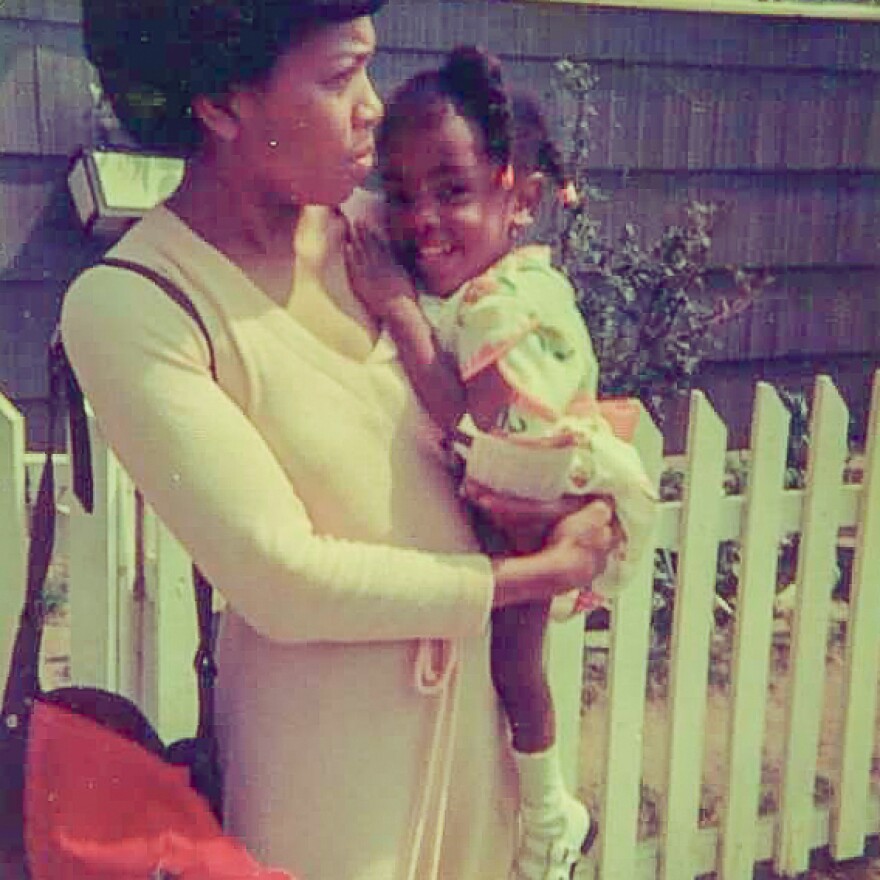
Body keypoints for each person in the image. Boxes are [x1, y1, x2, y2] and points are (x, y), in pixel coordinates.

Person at [60, 4, 619, 880]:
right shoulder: (141, 304)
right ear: (220, 104)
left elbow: (540, 380)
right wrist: (527, 578)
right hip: (335, 791)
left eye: (369, 67)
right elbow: (283, 578)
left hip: (482, 752)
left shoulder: (386, 225)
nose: (371, 106)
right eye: (337, 76)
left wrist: (587, 503)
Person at [345, 47, 657, 880]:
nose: (420, 220)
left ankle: (552, 818)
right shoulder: (479, 283)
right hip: (515, 499)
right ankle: (546, 810)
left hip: (534, 498)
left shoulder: (500, 305)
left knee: (514, 666)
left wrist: (401, 314)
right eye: (402, 194)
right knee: (504, 668)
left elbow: (472, 429)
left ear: (515, 197)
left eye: (452, 191)